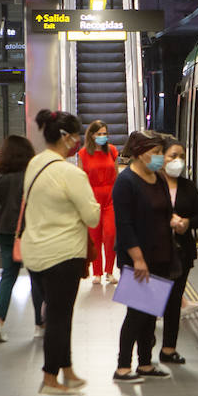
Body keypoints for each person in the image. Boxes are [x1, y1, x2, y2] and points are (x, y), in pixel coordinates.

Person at [19, 109, 100, 396]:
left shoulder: (34, 164)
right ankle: (49, 380)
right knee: (59, 316)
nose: (79, 140)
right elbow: (92, 217)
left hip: (36, 252)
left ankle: (66, 369)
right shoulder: (70, 173)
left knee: (57, 312)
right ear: (65, 137)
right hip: (63, 254)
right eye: (76, 135)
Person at [111, 130, 179, 383]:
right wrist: (137, 258)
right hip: (138, 258)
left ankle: (146, 363)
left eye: (162, 152)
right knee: (136, 313)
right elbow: (125, 224)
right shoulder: (125, 182)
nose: (161, 157)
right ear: (140, 152)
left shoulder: (158, 178)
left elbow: (164, 212)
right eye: (157, 152)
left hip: (161, 255)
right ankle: (122, 367)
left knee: (151, 313)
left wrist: (176, 221)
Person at [159, 139, 198, 363]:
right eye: (173, 156)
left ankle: (168, 349)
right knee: (148, 302)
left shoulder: (188, 187)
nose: (178, 161)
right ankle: (143, 350)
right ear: (162, 158)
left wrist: (187, 223)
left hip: (181, 252)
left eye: (181, 157)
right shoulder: (152, 184)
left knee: (174, 300)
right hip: (154, 252)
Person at [0, 134, 39, 343]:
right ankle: (40, 325)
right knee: (37, 278)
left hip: (4, 231)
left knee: (8, 276)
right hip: (27, 231)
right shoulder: (29, 177)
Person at [78, 120, 120, 284]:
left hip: (110, 197)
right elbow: (81, 178)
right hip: (92, 198)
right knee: (94, 237)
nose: (102, 137)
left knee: (110, 234)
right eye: (99, 134)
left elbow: (116, 174)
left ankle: (109, 270)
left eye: (104, 134)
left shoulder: (112, 151)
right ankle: (97, 273)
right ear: (92, 135)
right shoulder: (83, 153)